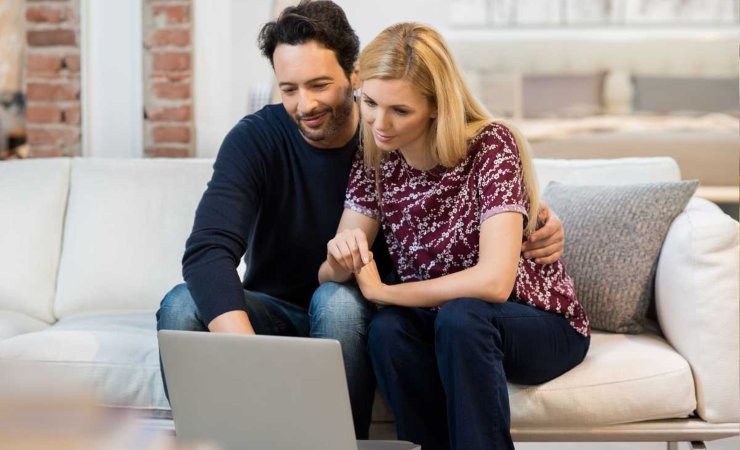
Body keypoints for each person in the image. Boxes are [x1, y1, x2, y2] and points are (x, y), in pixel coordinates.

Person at [156, 1, 565, 440]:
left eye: (319, 85)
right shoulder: (269, 141)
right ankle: (215, 444)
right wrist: (255, 358)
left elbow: (473, 199)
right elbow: (206, 252)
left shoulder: (384, 140)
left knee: (339, 301)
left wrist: (540, 214)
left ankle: (341, 444)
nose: (304, 104)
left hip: (362, 311)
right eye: (288, 89)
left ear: (355, 74)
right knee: (182, 304)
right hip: (278, 312)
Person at [319, 22, 590, 450]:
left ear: (435, 106)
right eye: (369, 102)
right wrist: (340, 256)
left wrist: (384, 292)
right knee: (388, 333)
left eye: (400, 111)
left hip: (540, 323)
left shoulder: (491, 146)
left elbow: (494, 284)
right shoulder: (375, 157)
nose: (379, 123)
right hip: (446, 319)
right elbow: (327, 275)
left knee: (464, 316)